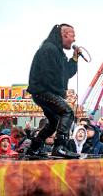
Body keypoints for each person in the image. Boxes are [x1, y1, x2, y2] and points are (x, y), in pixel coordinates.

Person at [26, 23, 81, 158]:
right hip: (43, 91)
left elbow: (66, 73)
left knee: (54, 121)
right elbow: (50, 75)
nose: (74, 40)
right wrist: (59, 93)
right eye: (73, 36)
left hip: (44, 92)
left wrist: (74, 58)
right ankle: (59, 147)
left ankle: (34, 148)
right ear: (65, 34)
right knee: (67, 112)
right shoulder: (49, 49)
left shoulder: (57, 51)